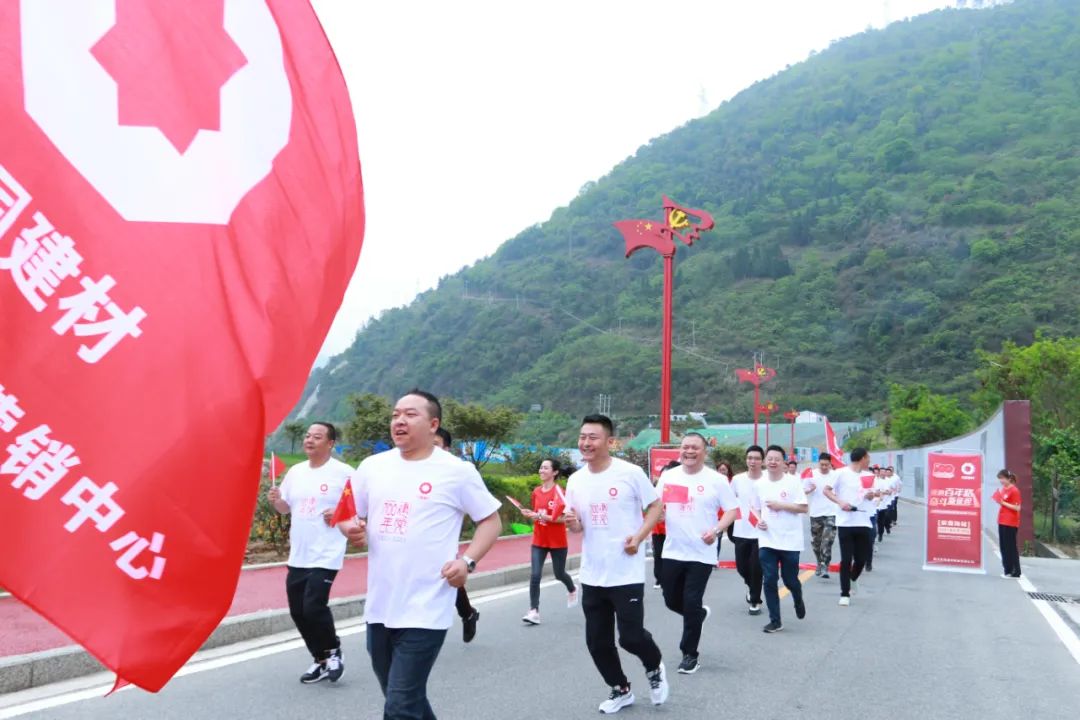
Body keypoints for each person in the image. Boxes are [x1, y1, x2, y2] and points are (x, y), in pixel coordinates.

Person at [340, 389, 502, 720]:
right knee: (403, 699)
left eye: (410, 414)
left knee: (399, 706)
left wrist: (467, 561)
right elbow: (347, 513)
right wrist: (350, 528)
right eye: (395, 415)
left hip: (427, 605)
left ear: (433, 424)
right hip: (381, 604)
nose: (399, 421)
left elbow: (491, 521)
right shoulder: (372, 467)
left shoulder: (456, 471)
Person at [564, 414, 668, 714]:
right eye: (583, 437)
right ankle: (620, 689)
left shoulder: (630, 473)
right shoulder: (575, 480)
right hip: (593, 572)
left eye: (593, 437)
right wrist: (573, 524)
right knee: (597, 643)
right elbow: (578, 525)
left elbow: (656, 506)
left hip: (625, 571)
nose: (586, 443)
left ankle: (654, 666)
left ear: (610, 442)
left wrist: (639, 536)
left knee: (631, 638)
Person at [266, 421, 353, 684]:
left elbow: (361, 505)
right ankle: (320, 659)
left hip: (326, 552)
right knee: (298, 611)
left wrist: (339, 513)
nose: (309, 440)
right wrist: (276, 500)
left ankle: (334, 651)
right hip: (299, 553)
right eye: (307, 436)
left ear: (330, 443)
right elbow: (285, 509)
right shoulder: (296, 472)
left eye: (317, 436)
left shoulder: (344, 473)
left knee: (314, 606)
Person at [655, 433, 738, 673]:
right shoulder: (669, 476)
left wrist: (717, 530)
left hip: (702, 551)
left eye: (695, 448)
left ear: (704, 452)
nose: (689, 451)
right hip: (673, 550)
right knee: (671, 599)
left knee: (691, 601)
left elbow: (732, 510)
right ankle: (698, 615)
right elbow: (657, 505)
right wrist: (658, 515)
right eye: (685, 447)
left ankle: (690, 654)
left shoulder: (716, 480)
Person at [753, 445, 809, 633]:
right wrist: (758, 520)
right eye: (769, 458)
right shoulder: (759, 484)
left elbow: (803, 508)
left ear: (784, 462)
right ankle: (775, 621)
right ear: (765, 461)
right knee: (769, 579)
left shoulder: (793, 482)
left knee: (790, 579)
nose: (773, 462)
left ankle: (797, 598)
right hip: (767, 539)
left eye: (777, 459)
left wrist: (781, 505)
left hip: (790, 540)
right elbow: (754, 508)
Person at [433, 427, 481, 643]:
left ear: (446, 449)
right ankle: (468, 613)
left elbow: (484, 516)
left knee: (447, 575)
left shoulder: (457, 473)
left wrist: (468, 560)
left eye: (435, 445)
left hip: (441, 538)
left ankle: (467, 613)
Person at [520, 457, 578, 624]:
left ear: (555, 472)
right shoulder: (536, 492)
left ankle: (572, 588)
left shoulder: (560, 493)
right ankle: (534, 611)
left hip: (557, 541)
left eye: (545, 468)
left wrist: (540, 516)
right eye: (541, 467)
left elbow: (564, 518)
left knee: (559, 574)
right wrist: (531, 514)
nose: (541, 471)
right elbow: (537, 513)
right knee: (535, 575)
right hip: (539, 540)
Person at [824, 448, 879, 606]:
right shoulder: (840, 473)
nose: (869, 460)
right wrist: (840, 502)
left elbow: (873, 495)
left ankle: (853, 578)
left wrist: (871, 495)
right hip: (845, 522)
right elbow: (826, 490)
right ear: (862, 458)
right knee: (846, 559)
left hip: (863, 521)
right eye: (868, 457)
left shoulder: (869, 476)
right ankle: (844, 593)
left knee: (861, 559)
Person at [730, 446, 765, 616]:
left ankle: (755, 601)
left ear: (762, 461)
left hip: (762, 532)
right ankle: (752, 588)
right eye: (750, 458)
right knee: (742, 567)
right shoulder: (737, 480)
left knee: (756, 568)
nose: (753, 461)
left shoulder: (768, 480)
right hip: (741, 529)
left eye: (757, 458)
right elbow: (729, 503)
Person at [805, 453, 837, 578]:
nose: (824, 467)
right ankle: (819, 562)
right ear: (818, 463)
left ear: (830, 464)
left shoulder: (835, 475)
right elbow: (802, 491)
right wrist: (810, 489)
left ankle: (825, 565)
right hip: (816, 513)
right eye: (822, 464)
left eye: (826, 465)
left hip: (831, 513)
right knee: (816, 543)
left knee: (827, 541)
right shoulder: (811, 474)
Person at [650, 459, 679, 589]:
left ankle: (672, 578)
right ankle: (659, 578)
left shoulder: (680, 490)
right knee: (658, 553)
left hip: (675, 529)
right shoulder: (657, 490)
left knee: (672, 555)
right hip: (659, 529)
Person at [994, 469, 1023, 578]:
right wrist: (1000, 501)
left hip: (1010, 522)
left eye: (1002, 478)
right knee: (1003, 546)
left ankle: (1016, 570)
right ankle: (1007, 569)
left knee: (1010, 547)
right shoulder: (1004, 489)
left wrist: (1003, 503)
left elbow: (1017, 507)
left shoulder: (1014, 490)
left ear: (1009, 479)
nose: (1001, 481)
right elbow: (1004, 502)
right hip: (1002, 520)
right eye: (1000, 479)